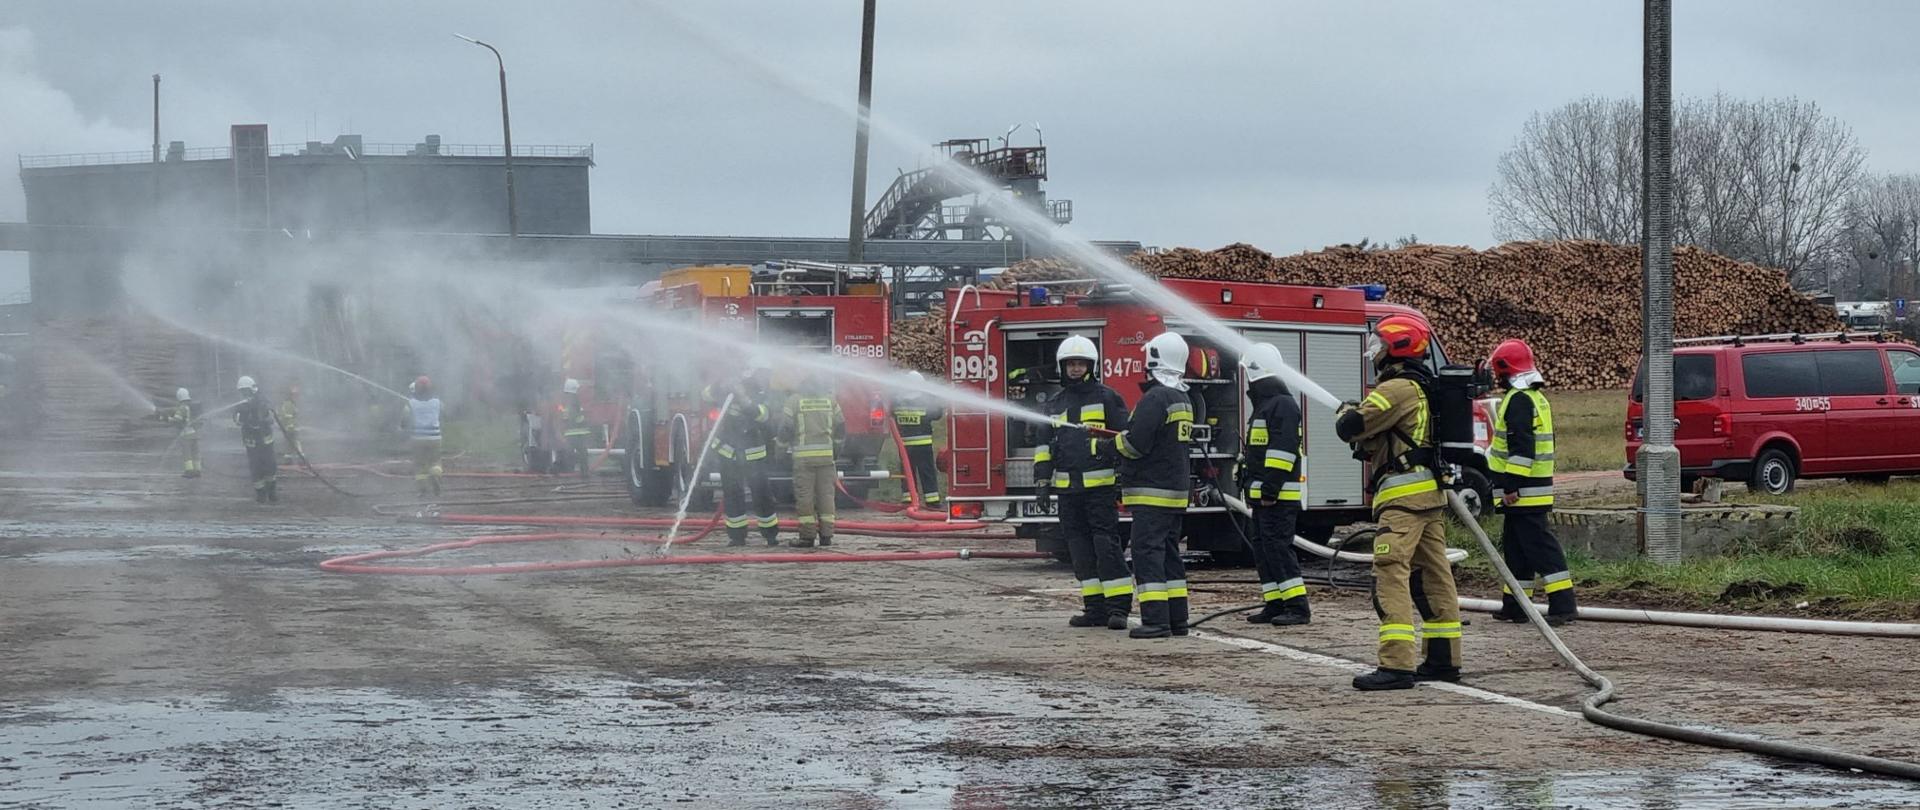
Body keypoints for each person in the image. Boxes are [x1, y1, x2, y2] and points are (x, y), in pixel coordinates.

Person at [1335, 315, 1461, 690]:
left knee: (1391, 573)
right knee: (1435, 577)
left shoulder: (1396, 389)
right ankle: (1443, 659)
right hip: (1428, 498)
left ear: (1396, 347)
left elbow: (1351, 427)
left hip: (1403, 499)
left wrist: (1345, 411)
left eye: (1380, 345)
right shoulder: (1422, 386)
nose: (1375, 352)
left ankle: (1396, 664)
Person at [1096, 332, 1194, 640]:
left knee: (1146, 553)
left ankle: (1155, 620)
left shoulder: (1156, 398)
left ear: (1155, 359)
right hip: (1174, 491)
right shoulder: (1182, 396)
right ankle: (1177, 620)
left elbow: (1136, 445)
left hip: (1152, 492)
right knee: (1168, 555)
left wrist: (1108, 447)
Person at [1033, 335, 1132, 630]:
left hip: (1100, 490)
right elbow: (1044, 446)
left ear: (1091, 366)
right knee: (1079, 551)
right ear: (1063, 367)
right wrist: (1041, 482)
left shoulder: (1107, 398)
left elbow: (1123, 439)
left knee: (1107, 548)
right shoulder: (1055, 403)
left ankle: (1118, 609)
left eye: (1080, 364)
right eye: (1071, 364)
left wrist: (1121, 479)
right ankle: (1094, 609)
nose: (1075, 369)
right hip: (1068, 491)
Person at [1487, 339, 1578, 625]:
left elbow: (1522, 448)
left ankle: (1563, 605)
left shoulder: (1518, 400)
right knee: (1517, 549)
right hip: (1531, 488)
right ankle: (1515, 604)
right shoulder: (1536, 398)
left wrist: (1512, 485)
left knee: (1539, 548)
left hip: (1523, 490)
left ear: (1505, 370)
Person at [1238, 344, 1311, 627]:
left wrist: (1269, 489)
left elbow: (1282, 452)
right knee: (1264, 550)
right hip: (1263, 496)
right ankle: (1275, 603)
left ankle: (1297, 607)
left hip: (1277, 497)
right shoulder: (1267, 405)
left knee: (1278, 550)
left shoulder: (1281, 405)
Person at [703, 361, 780, 547]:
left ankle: (770, 535)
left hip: (754, 455)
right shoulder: (729, 387)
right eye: (763, 373)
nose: (766, 377)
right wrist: (720, 384)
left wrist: (744, 399)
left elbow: (763, 415)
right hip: (728, 453)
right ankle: (737, 536)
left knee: (762, 495)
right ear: (752, 372)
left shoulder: (763, 392)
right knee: (732, 495)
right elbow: (706, 395)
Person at [780, 373, 845, 548]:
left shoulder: (794, 401)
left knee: (805, 497)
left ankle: (807, 537)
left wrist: (779, 451)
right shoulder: (830, 401)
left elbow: (785, 428)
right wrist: (836, 451)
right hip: (826, 458)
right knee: (826, 497)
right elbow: (841, 427)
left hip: (804, 460)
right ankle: (827, 536)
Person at [891, 371, 946, 508]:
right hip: (923, 444)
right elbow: (937, 414)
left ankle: (908, 499)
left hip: (904, 445)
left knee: (907, 472)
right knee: (926, 472)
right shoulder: (924, 400)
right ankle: (932, 501)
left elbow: (891, 413)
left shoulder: (898, 400)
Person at [234, 376, 278, 503]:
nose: (244, 394)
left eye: (246, 391)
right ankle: (260, 493)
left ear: (252, 389)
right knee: (255, 468)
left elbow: (271, 415)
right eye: (242, 392)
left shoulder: (263, 400)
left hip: (265, 440)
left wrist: (263, 416)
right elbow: (236, 419)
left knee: (270, 466)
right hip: (251, 442)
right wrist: (243, 415)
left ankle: (272, 491)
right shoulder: (241, 405)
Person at [403, 376, 444, 497]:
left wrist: (402, 427)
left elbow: (404, 420)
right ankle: (435, 475)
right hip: (435, 438)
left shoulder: (411, 403)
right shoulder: (437, 402)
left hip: (418, 438)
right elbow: (445, 412)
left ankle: (422, 489)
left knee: (419, 464)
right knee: (435, 461)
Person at [156, 387, 202, 478]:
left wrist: (166, 419)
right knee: (195, 453)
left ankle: (189, 471)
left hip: (186, 435)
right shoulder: (192, 406)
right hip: (195, 434)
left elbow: (177, 420)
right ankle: (197, 470)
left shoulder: (182, 408)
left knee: (187, 454)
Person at [562, 378, 594, 478]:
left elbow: (566, 416)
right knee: (583, 454)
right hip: (578, 433)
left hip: (570, 433)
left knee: (570, 454)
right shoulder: (574, 400)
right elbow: (576, 417)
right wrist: (585, 418)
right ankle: (584, 473)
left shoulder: (566, 400)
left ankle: (568, 472)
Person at [278, 382, 304, 464]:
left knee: (288, 443)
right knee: (296, 442)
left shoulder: (288, 404)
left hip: (288, 428)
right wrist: (292, 427)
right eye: (295, 395)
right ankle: (301, 457)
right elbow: (288, 417)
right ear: (290, 395)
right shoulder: (289, 404)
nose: (296, 397)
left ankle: (288, 458)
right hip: (291, 428)